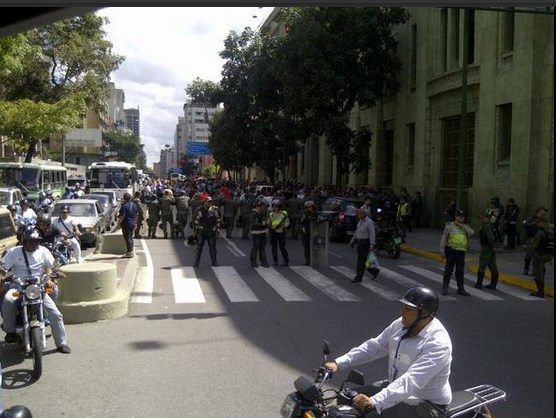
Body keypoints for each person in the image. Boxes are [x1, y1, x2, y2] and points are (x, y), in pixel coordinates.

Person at [324, 287, 452, 418]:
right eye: (403, 307)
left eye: (408, 309)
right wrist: (338, 363)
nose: (402, 311)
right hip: (396, 387)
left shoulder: (438, 343)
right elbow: (375, 347)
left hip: (427, 403)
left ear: (424, 313)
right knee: (346, 399)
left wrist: (375, 401)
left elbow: (412, 379)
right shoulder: (401, 325)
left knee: (371, 415)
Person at [1, 227, 71, 354]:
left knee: (55, 314)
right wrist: (2, 276)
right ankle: (10, 330)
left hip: (37, 288)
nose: (34, 244)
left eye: (37, 241)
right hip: (19, 287)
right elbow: (2, 267)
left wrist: (58, 271)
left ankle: (61, 343)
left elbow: (53, 265)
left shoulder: (43, 251)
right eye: (32, 241)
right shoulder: (14, 252)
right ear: (25, 241)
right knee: (8, 299)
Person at [439, 209, 474, 296]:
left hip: (461, 252)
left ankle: (461, 289)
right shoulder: (449, 226)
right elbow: (444, 238)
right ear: (456, 217)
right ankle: (445, 287)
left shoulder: (465, 227)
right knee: (448, 270)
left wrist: (462, 226)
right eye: (459, 216)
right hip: (451, 251)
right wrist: (442, 250)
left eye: (462, 217)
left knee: (460, 271)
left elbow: (472, 233)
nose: (461, 218)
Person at [349, 207, 379, 282]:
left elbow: (372, 233)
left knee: (360, 261)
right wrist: (352, 240)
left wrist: (372, 244)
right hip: (359, 242)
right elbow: (357, 231)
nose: (358, 215)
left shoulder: (369, 222)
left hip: (365, 243)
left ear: (364, 214)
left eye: (360, 214)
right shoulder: (360, 221)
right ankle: (374, 271)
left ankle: (358, 277)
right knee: (364, 261)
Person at [192, 196, 221, 267]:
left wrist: (218, 230)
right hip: (202, 231)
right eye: (208, 202)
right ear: (205, 202)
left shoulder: (215, 210)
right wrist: (195, 231)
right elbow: (196, 221)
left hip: (211, 231)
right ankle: (196, 262)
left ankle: (214, 261)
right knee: (199, 247)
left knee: (212, 247)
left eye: (211, 202)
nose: (210, 203)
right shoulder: (199, 210)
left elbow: (218, 220)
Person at [475, 211, 499, 290]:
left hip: (486, 248)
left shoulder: (487, 227)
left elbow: (491, 238)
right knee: (492, 266)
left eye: (483, 218)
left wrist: (492, 245)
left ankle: (479, 283)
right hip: (490, 248)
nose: (482, 219)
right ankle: (493, 284)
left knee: (482, 265)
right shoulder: (491, 226)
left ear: (487, 218)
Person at [522, 206, 548, 275]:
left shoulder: (544, 220)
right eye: (543, 211)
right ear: (539, 211)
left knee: (536, 256)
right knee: (529, 254)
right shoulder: (531, 218)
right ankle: (526, 268)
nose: (544, 213)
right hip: (531, 237)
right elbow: (524, 224)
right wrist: (532, 223)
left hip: (539, 239)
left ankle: (534, 270)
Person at [530, 216, 552, 298]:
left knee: (538, 273)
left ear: (542, 223)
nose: (538, 224)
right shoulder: (551, 232)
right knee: (541, 270)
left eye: (539, 223)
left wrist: (532, 243)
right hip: (548, 255)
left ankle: (540, 292)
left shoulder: (541, 232)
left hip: (539, 255)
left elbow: (535, 244)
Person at [268, 199, 290, 267]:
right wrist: (270, 227)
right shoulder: (271, 214)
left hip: (281, 232)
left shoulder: (284, 213)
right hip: (274, 232)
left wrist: (284, 227)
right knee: (274, 248)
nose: (275, 208)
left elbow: (287, 222)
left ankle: (286, 260)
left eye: (277, 206)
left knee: (282, 247)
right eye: (274, 206)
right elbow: (269, 223)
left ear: (279, 207)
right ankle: (275, 261)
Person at [116, 193, 138, 258]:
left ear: (124, 198)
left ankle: (129, 252)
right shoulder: (134, 205)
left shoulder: (124, 206)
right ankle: (131, 251)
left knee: (127, 238)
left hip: (126, 223)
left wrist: (118, 224)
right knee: (131, 237)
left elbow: (122, 216)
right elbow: (136, 214)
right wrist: (135, 222)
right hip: (132, 222)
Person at [249, 197, 270, 268]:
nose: (264, 207)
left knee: (262, 248)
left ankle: (264, 262)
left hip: (263, 232)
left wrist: (266, 227)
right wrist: (263, 223)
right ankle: (253, 262)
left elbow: (267, 222)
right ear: (258, 205)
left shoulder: (263, 213)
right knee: (255, 247)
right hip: (256, 233)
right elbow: (254, 224)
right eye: (263, 206)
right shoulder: (254, 213)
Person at [300, 200, 318, 266]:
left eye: (310, 207)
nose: (309, 208)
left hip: (314, 233)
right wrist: (303, 230)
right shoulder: (304, 215)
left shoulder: (316, 214)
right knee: (306, 247)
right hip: (306, 233)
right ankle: (307, 260)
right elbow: (301, 223)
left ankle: (315, 260)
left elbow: (320, 220)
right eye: (307, 207)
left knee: (315, 246)